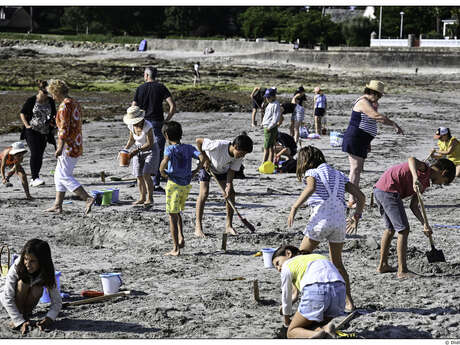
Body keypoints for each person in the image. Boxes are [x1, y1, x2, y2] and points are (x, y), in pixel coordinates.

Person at [287, 146, 365, 312]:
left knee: (298, 259)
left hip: (320, 221)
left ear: (306, 161)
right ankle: (349, 302)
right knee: (337, 263)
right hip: (339, 222)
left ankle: (295, 294)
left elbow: (311, 188)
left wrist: (294, 207)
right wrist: (356, 216)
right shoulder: (339, 175)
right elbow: (361, 196)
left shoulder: (312, 173)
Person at [374, 157, 455, 279]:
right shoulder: (424, 168)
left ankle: (383, 265)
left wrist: (424, 224)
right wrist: (415, 178)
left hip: (381, 189)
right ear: (443, 172)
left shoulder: (426, 183)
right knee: (403, 230)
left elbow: (414, 206)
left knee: (390, 229)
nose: (440, 184)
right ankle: (402, 270)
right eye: (443, 181)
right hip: (389, 190)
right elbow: (411, 159)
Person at [341, 80, 404, 209]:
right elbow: (375, 116)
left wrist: (368, 141)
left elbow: (370, 122)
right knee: (355, 169)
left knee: (358, 170)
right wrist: (393, 124)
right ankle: (351, 199)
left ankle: (353, 198)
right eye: (378, 95)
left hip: (362, 140)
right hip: (355, 137)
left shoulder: (371, 103)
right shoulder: (363, 102)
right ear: (371, 92)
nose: (379, 98)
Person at [272, 245, 346, 339]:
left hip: (317, 290)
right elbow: (294, 295)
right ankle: (326, 329)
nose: (278, 269)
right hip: (339, 291)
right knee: (308, 325)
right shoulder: (316, 257)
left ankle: (315, 335)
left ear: (288, 253)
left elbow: (286, 296)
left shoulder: (287, 265)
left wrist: (287, 322)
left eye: (278, 263)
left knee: (292, 332)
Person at [44, 79, 94, 214]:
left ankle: (87, 198)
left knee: (64, 175)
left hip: (68, 145)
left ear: (57, 92)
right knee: (58, 175)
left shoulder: (63, 106)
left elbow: (64, 130)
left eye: (52, 94)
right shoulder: (74, 102)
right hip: (76, 142)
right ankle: (57, 205)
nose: (52, 97)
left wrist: (59, 147)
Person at [195, 133, 253, 237]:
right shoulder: (217, 145)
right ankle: (198, 227)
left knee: (231, 194)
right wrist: (205, 158)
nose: (242, 156)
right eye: (242, 153)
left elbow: (232, 170)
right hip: (206, 166)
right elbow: (198, 141)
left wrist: (228, 186)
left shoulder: (238, 156)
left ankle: (228, 226)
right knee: (204, 193)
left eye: (244, 154)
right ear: (235, 147)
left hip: (221, 170)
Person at [159, 121, 204, 256]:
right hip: (185, 185)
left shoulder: (170, 149)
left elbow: (164, 162)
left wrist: (162, 172)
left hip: (174, 184)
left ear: (166, 136)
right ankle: (181, 237)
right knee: (177, 211)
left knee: (172, 215)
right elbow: (202, 157)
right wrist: (196, 170)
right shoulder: (189, 148)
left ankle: (175, 248)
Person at [0, 239, 62, 335]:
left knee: (38, 288)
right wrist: (19, 321)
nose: (27, 264)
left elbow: (57, 301)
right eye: (25, 259)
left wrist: (49, 319)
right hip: (14, 301)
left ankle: (26, 314)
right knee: (23, 284)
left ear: (42, 262)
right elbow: (7, 297)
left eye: (32, 261)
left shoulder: (47, 272)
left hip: (28, 304)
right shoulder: (17, 267)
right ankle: (21, 316)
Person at [132, 66, 176, 193]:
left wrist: (133, 122)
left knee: (141, 150)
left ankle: (140, 180)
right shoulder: (161, 87)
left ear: (146, 75)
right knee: (157, 153)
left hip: (142, 122)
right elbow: (172, 106)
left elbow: (133, 107)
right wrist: (167, 120)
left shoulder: (140, 88)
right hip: (157, 123)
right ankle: (155, 183)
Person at [19, 80, 57, 187]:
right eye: (44, 92)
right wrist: (27, 125)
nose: (45, 94)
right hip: (31, 131)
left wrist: (53, 127)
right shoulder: (32, 100)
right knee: (35, 153)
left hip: (44, 132)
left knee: (40, 155)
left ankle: (36, 176)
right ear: (39, 90)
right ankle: (34, 178)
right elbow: (22, 113)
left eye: (47, 92)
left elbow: (54, 115)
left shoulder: (50, 101)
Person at [123, 106, 159, 206]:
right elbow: (131, 140)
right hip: (138, 150)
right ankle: (142, 198)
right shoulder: (131, 126)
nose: (134, 123)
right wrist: (125, 150)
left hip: (151, 150)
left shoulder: (148, 125)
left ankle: (150, 199)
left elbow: (150, 143)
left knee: (146, 174)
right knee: (138, 175)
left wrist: (136, 151)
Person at [262, 88, 282, 163]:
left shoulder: (276, 104)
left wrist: (269, 127)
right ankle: (270, 163)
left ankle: (264, 163)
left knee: (266, 147)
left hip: (270, 128)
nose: (267, 98)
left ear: (273, 96)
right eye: (266, 97)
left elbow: (276, 118)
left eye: (268, 97)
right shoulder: (270, 104)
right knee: (270, 147)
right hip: (267, 126)